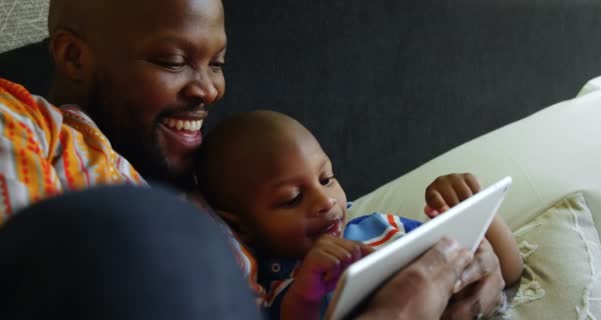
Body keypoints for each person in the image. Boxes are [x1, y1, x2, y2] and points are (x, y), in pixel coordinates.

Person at [0, 0, 507, 318]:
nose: (209, 90)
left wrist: (468, 263)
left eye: (217, 64)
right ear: (72, 56)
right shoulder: (20, 120)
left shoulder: (216, 184)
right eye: (173, 62)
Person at [196, 110, 522, 319]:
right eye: (292, 199)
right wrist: (308, 289)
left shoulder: (380, 226)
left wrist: (474, 208)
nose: (325, 201)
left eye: (327, 179)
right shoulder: (287, 286)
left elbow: (509, 270)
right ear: (242, 228)